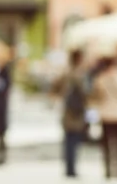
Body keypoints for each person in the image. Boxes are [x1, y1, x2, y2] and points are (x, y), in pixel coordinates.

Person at [91, 56, 117, 180]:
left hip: (106, 114)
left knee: (107, 145)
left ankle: (108, 171)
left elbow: (97, 96)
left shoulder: (101, 78)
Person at [51, 49, 89, 178]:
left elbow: (55, 88)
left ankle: (69, 167)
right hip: (76, 111)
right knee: (74, 139)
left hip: (67, 111)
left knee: (68, 139)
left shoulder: (66, 73)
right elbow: (85, 93)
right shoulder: (79, 74)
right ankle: (71, 168)